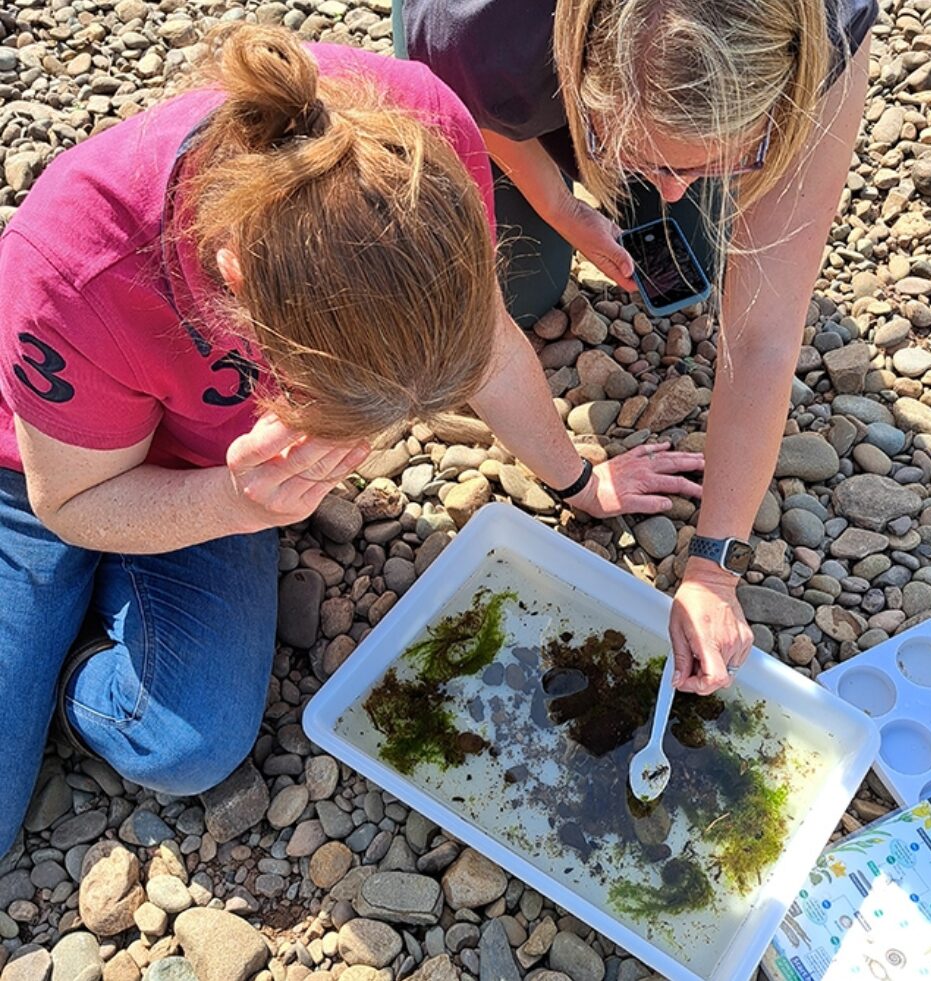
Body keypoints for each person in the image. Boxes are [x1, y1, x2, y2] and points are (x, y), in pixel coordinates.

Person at [0, 24, 703, 857]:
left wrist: (578, 483)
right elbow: (71, 499)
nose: (369, 444)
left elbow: (485, 345)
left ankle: (72, 662)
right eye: (342, 409)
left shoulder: (418, 140)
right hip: (48, 474)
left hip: (204, 468)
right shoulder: (73, 270)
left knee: (186, 746)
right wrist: (226, 499)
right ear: (235, 287)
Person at [401, 0, 875, 696]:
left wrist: (714, 565)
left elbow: (764, 337)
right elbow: (475, 107)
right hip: (507, 67)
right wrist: (557, 204)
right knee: (523, 290)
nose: (678, 185)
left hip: (623, 95)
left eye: (734, 154)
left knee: (696, 242)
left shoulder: (828, 30)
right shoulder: (470, 32)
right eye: (647, 157)